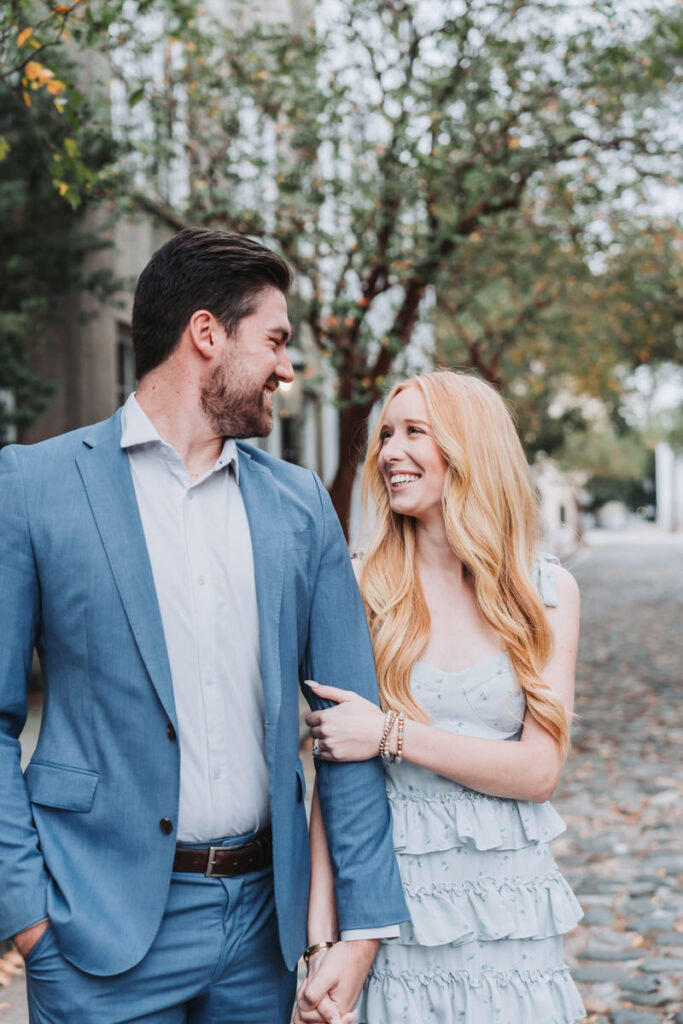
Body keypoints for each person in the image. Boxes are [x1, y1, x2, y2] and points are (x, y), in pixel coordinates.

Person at [0, 227, 408, 1024]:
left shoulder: (299, 508)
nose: (287, 370)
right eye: (276, 341)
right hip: (94, 934)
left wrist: (359, 929)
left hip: (262, 931)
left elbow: (347, 723)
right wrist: (28, 920)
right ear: (206, 334)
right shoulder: (33, 487)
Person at [296, 370, 586, 1024]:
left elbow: (539, 771)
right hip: (395, 911)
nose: (388, 452)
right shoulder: (357, 588)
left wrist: (391, 735)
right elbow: (333, 783)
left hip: (508, 913)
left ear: (469, 448)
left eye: (413, 433)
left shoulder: (544, 593)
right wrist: (322, 944)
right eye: (385, 436)